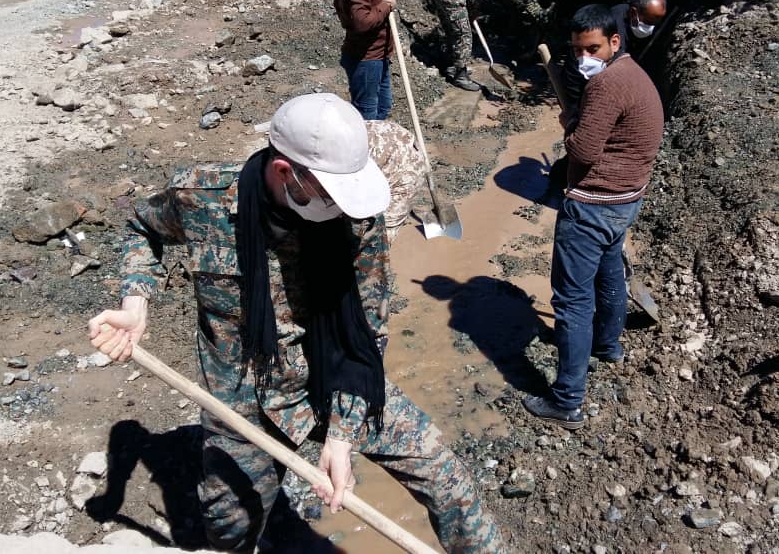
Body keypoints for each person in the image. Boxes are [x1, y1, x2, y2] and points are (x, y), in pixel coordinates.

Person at [88, 93, 506, 553]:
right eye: (331, 192)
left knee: (449, 483)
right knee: (231, 529)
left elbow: (368, 328)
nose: (345, 208)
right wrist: (135, 301)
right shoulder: (200, 197)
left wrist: (343, 437)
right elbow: (141, 229)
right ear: (286, 172)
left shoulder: (358, 222)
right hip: (243, 397)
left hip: (334, 377)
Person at [524, 7, 664, 430]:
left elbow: (582, 151)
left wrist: (572, 126)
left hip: (593, 205)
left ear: (614, 42)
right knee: (609, 273)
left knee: (571, 301)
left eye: (593, 47)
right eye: (578, 49)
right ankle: (608, 345)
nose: (585, 56)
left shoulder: (605, 84)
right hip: (626, 199)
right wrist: (582, 123)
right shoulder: (633, 73)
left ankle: (567, 401)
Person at [562, 0, 667, 108]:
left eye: (654, 24)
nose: (651, 29)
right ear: (633, 13)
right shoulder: (613, 28)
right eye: (648, 23)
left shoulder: (635, 19)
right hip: (579, 85)